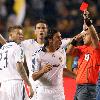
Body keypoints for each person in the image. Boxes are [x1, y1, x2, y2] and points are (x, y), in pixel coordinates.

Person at [30, 28, 76, 100]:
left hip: (59, 92)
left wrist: (76, 76)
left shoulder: (61, 52)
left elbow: (62, 69)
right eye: (58, 37)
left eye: (60, 36)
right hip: (44, 92)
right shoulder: (38, 55)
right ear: (50, 40)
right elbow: (34, 77)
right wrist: (43, 71)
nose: (61, 39)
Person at [66, 10, 100, 100]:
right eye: (83, 35)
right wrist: (77, 38)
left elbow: (94, 36)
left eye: (86, 35)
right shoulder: (81, 49)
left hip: (88, 88)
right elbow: (68, 52)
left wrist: (88, 22)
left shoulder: (96, 48)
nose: (84, 37)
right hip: (79, 87)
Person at [0, 25, 34, 100]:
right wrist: (29, 84)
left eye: (22, 34)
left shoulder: (2, 49)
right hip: (16, 84)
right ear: (11, 35)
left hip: (3, 86)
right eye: (18, 34)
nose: (21, 36)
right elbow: (20, 67)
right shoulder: (18, 48)